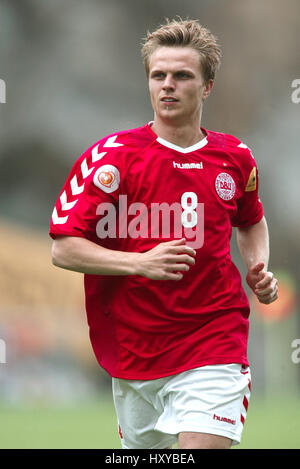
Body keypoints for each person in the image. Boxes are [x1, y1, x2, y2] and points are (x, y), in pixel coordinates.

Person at [49, 18, 278, 449]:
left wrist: (257, 265)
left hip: (215, 340)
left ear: (207, 86)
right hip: (136, 349)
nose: (167, 85)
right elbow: (64, 248)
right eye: (159, 75)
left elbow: (250, 219)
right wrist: (138, 263)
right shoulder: (111, 159)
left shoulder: (236, 157)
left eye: (182, 76)